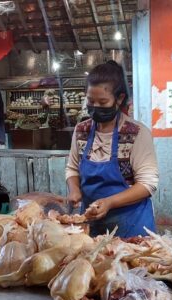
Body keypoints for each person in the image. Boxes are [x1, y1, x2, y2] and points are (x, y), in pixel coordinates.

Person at [65, 61, 159, 238]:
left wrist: (110, 202)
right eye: (91, 101)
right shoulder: (81, 130)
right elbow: (72, 168)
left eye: (103, 101)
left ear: (120, 98)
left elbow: (147, 184)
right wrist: (74, 190)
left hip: (131, 227)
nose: (96, 107)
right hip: (91, 224)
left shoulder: (137, 133)